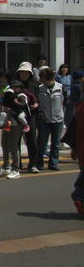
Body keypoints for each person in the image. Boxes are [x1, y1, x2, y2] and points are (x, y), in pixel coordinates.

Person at [62, 70, 84, 217]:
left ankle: (79, 195)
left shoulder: (79, 107)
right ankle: (79, 196)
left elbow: (74, 130)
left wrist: (74, 148)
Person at [36, 67, 64, 171]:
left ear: (50, 78)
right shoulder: (40, 88)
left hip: (58, 119)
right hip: (44, 119)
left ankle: (53, 163)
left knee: (55, 143)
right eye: (42, 79)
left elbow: (64, 101)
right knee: (42, 142)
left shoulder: (60, 87)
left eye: (44, 79)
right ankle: (39, 163)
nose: (43, 81)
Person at [0, 81, 26, 179]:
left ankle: (16, 169)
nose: (14, 88)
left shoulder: (21, 96)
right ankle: (6, 167)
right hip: (7, 122)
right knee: (4, 144)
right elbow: (3, 106)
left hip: (16, 123)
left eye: (17, 87)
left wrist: (14, 102)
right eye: (13, 86)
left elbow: (22, 105)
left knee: (14, 146)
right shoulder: (7, 96)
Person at [16, 62, 40, 173]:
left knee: (32, 141)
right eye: (22, 72)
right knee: (16, 141)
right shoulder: (15, 84)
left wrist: (36, 104)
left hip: (30, 116)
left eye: (26, 72)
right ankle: (17, 164)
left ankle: (32, 164)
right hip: (16, 116)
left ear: (30, 73)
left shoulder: (34, 85)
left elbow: (38, 99)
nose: (24, 74)